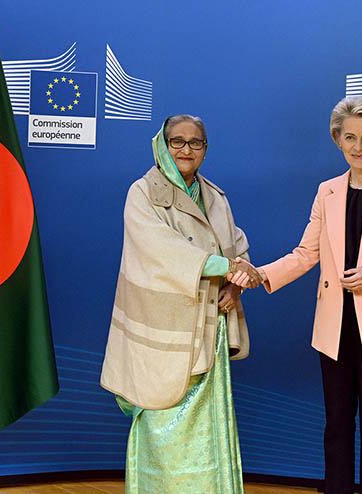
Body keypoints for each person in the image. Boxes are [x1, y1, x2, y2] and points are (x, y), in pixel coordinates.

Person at [232, 96, 362, 493]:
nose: (358, 146)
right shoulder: (327, 191)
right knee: (337, 430)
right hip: (336, 330)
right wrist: (261, 274)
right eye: (350, 137)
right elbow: (306, 253)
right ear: (337, 140)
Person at [100, 114, 259, 494]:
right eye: (178, 141)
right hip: (163, 332)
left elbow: (236, 247)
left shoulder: (215, 197)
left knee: (207, 429)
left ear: (206, 149)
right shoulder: (142, 193)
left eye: (195, 142)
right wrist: (225, 267)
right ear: (162, 145)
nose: (186, 150)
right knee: (162, 421)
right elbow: (161, 252)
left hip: (209, 329)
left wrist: (235, 286)